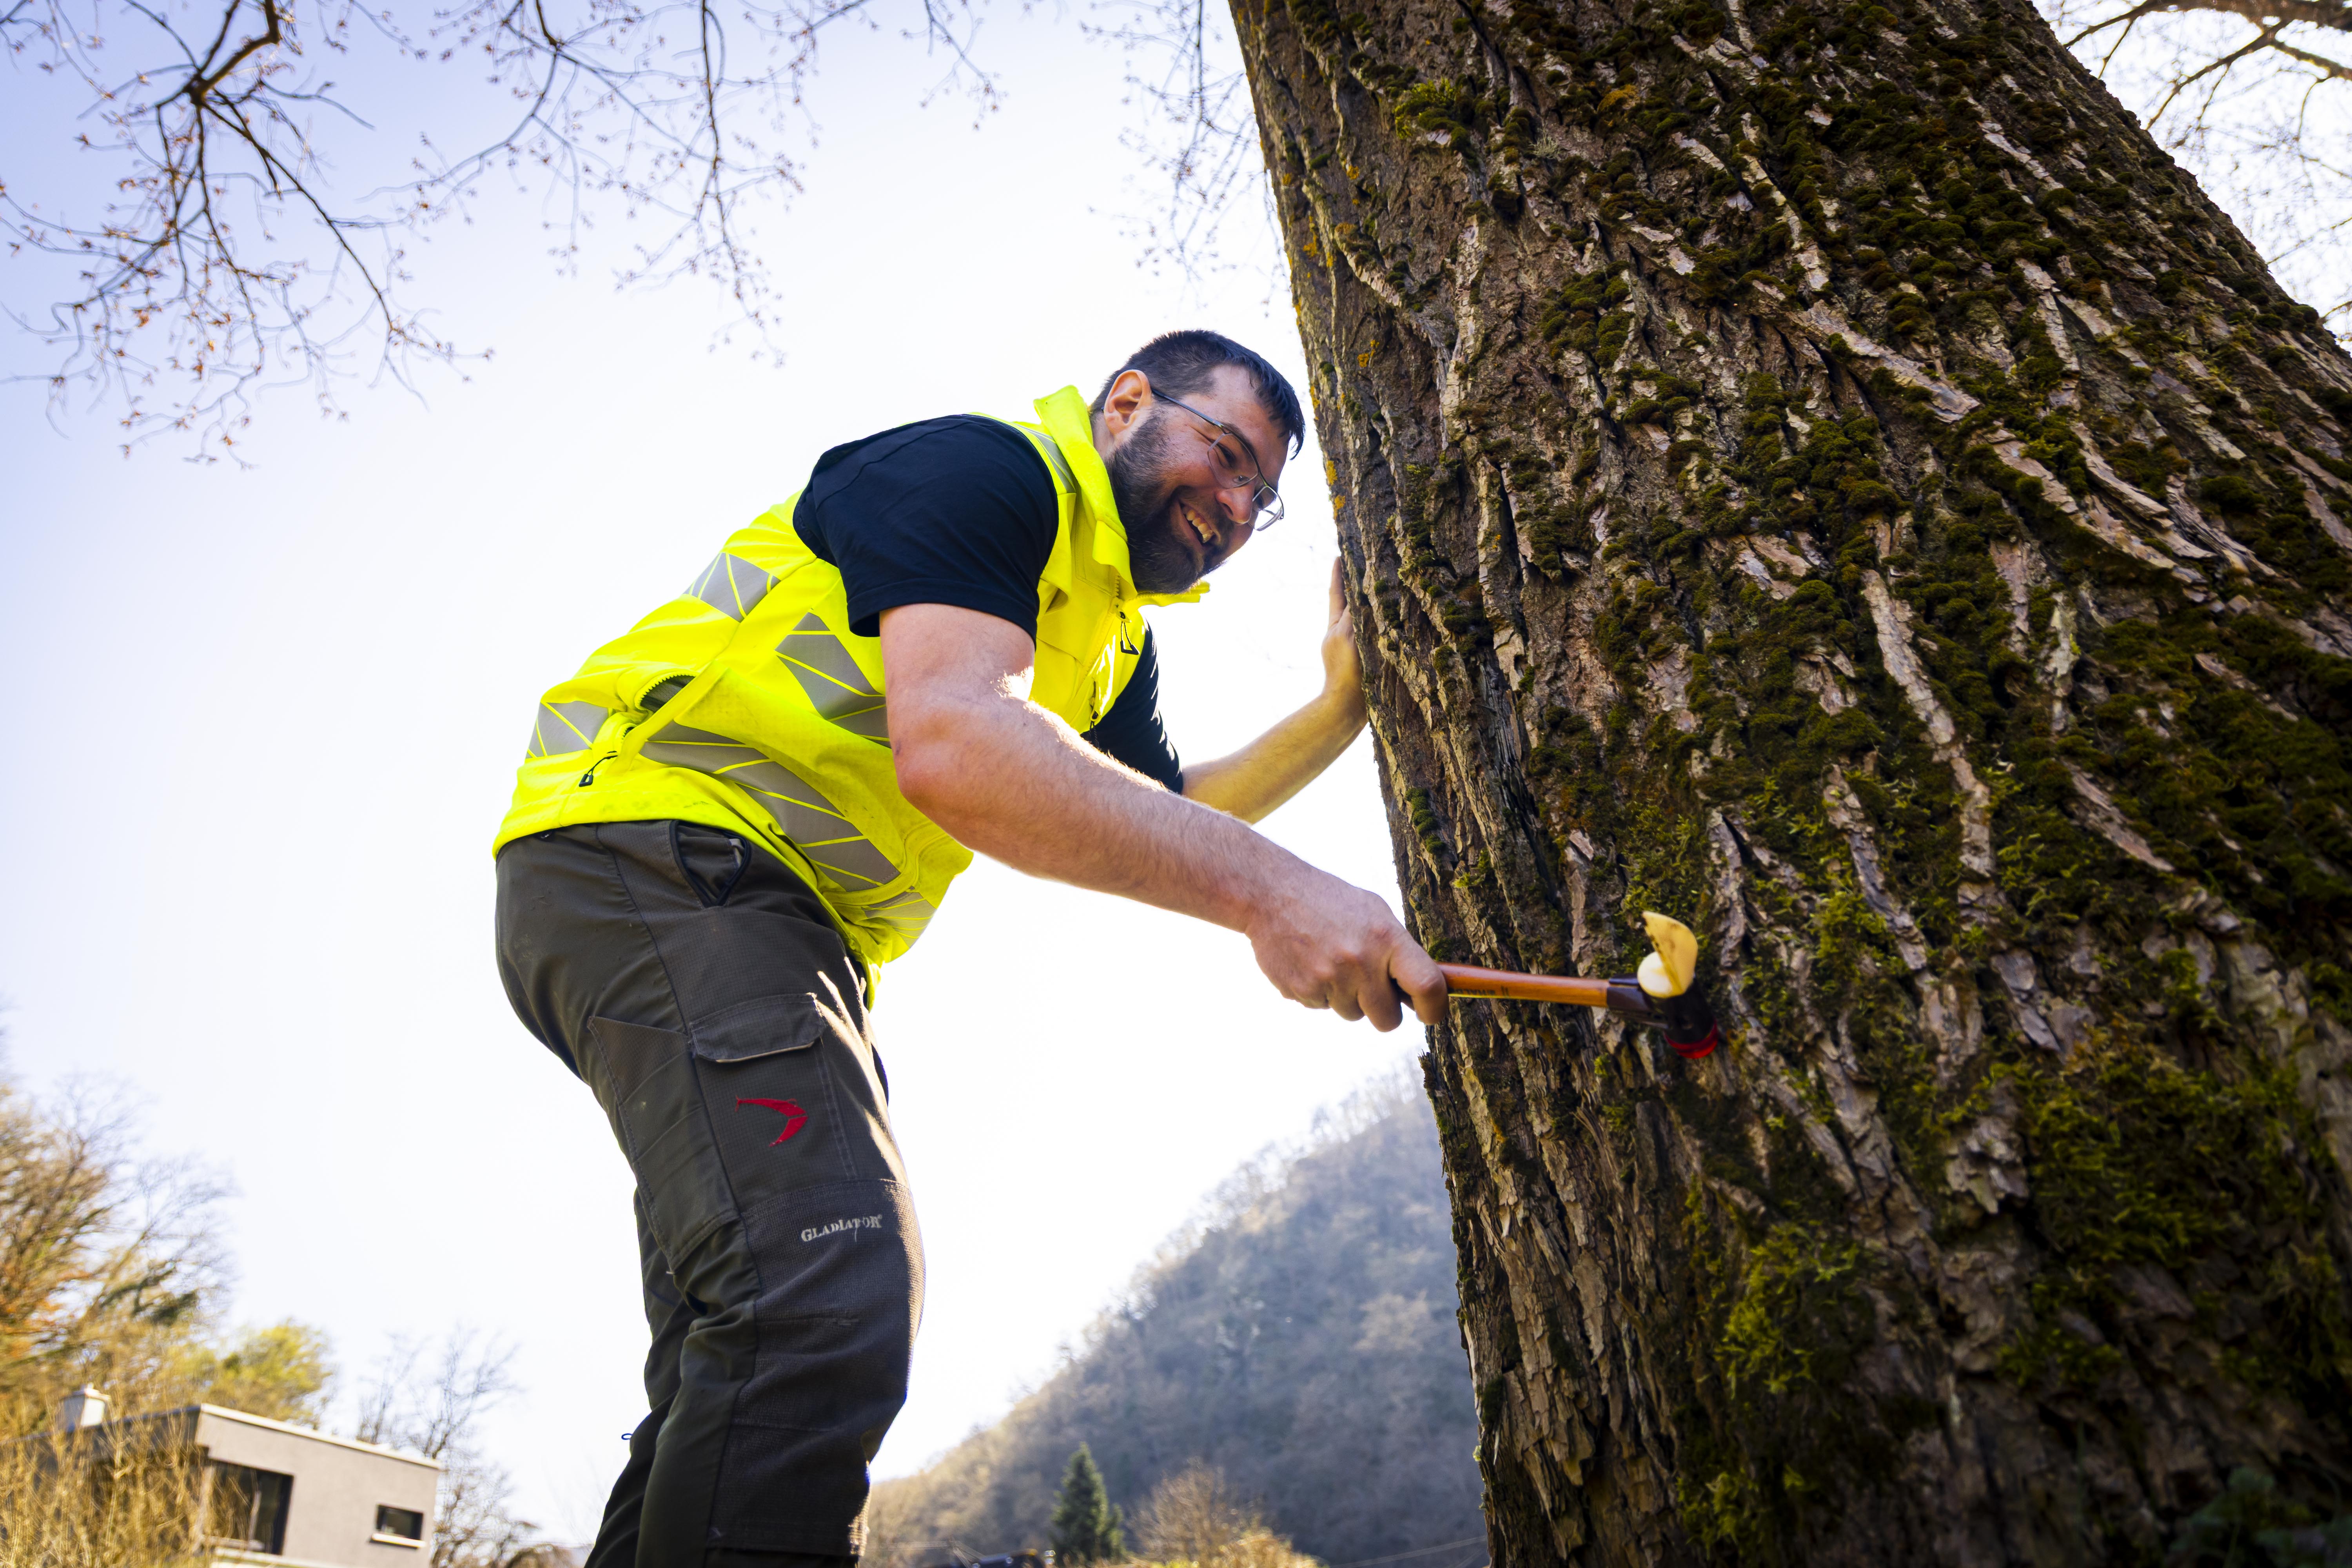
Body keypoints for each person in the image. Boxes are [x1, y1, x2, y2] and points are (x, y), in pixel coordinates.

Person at [491, 329, 1449, 1568]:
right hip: (663, 861)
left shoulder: (1104, 639)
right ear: (1125, 403)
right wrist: (1277, 898)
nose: (1228, 506)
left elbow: (1168, 820)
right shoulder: (987, 474)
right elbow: (955, 737)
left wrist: (1337, 710)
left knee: (740, 1350)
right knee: (823, 1293)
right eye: (1222, 454)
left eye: (1256, 501)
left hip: (752, 924)